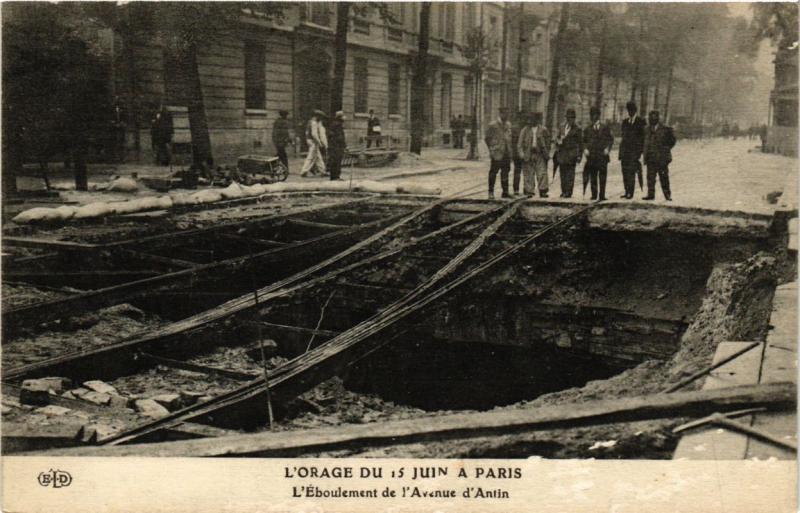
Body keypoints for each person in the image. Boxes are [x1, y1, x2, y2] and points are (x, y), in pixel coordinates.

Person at [582, 106, 614, 201]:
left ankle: (602, 195)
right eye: (592, 115)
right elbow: (583, 141)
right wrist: (585, 149)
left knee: (603, 176)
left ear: (599, 116)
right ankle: (594, 194)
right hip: (592, 156)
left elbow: (610, 139)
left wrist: (607, 149)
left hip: (602, 156)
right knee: (593, 176)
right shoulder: (587, 129)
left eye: (595, 115)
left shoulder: (605, 128)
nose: (593, 117)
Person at [643, 110, 676, 201]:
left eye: (653, 118)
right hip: (651, 158)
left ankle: (667, 195)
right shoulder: (646, 129)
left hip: (662, 158)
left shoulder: (666, 129)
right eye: (650, 118)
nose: (651, 120)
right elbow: (644, 142)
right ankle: (650, 194)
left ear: (657, 118)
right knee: (650, 177)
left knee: (664, 177)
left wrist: (665, 149)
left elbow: (672, 141)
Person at [518, 112, 551, 198]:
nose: (532, 121)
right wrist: (522, 155)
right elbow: (520, 144)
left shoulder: (543, 130)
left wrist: (547, 153)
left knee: (542, 172)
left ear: (538, 120)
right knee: (528, 173)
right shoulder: (525, 130)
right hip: (528, 154)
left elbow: (548, 143)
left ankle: (543, 190)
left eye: (534, 119)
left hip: (540, 154)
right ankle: (529, 190)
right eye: (531, 119)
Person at [618, 101, 646, 199]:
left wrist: (639, 152)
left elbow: (642, 139)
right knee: (625, 172)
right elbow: (623, 137)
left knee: (631, 172)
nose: (630, 112)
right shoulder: (625, 122)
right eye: (629, 110)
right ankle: (626, 191)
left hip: (634, 152)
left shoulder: (640, 121)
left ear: (635, 111)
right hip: (625, 152)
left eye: (632, 110)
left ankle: (631, 192)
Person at [484, 107, 513, 199]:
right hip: (497, 152)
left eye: (508, 114)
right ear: (500, 114)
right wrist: (491, 149)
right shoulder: (493, 125)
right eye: (504, 114)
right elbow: (487, 138)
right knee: (493, 172)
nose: (506, 116)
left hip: (506, 152)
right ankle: (490, 192)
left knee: (505, 172)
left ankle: (505, 192)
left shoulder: (508, 124)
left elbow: (509, 137)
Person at [554, 108, 583, 198]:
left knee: (570, 174)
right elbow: (557, 137)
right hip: (562, 154)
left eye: (571, 118)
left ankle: (569, 192)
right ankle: (563, 191)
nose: (569, 120)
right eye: (568, 118)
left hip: (571, 154)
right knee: (562, 173)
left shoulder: (577, 129)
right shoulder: (562, 126)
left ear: (574, 119)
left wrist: (579, 156)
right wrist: (558, 141)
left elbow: (581, 143)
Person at [300, 110, 328, 177]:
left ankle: (323, 171)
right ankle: (304, 171)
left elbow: (307, 133)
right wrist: (319, 142)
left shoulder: (310, 122)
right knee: (311, 157)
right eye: (320, 117)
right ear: (317, 116)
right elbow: (314, 134)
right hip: (313, 141)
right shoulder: (314, 123)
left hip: (309, 140)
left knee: (318, 157)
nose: (320, 119)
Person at [327, 111, 346, 181]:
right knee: (337, 161)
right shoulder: (338, 125)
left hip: (333, 146)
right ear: (340, 117)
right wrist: (344, 145)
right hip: (337, 147)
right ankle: (336, 176)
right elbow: (340, 137)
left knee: (334, 161)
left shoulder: (333, 124)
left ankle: (333, 177)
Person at [510, 111, 524, 196]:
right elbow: (512, 142)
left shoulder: (515, 128)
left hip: (518, 153)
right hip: (518, 153)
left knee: (519, 171)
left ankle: (517, 189)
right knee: (519, 171)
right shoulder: (517, 128)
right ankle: (517, 189)